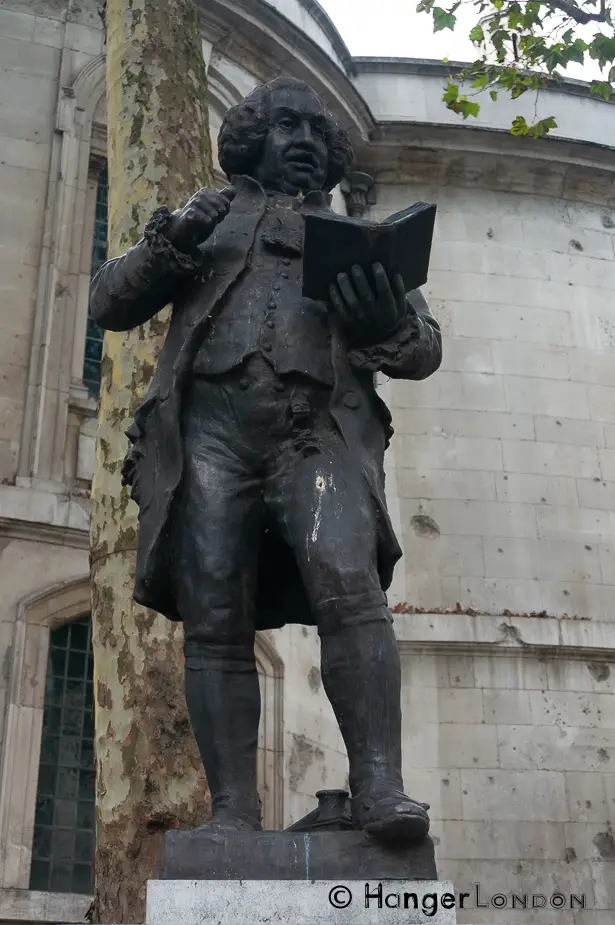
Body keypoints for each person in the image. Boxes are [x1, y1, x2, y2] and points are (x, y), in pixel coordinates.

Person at [90, 77, 442, 844]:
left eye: (318, 131)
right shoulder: (204, 221)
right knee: (214, 618)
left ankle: (380, 786)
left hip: (316, 432)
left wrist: (383, 318)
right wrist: (169, 242)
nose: (305, 140)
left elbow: (422, 349)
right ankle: (232, 815)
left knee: (351, 591)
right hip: (210, 436)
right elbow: (108, 303)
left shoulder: (362, 242)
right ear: (252, 137)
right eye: (287, 125)